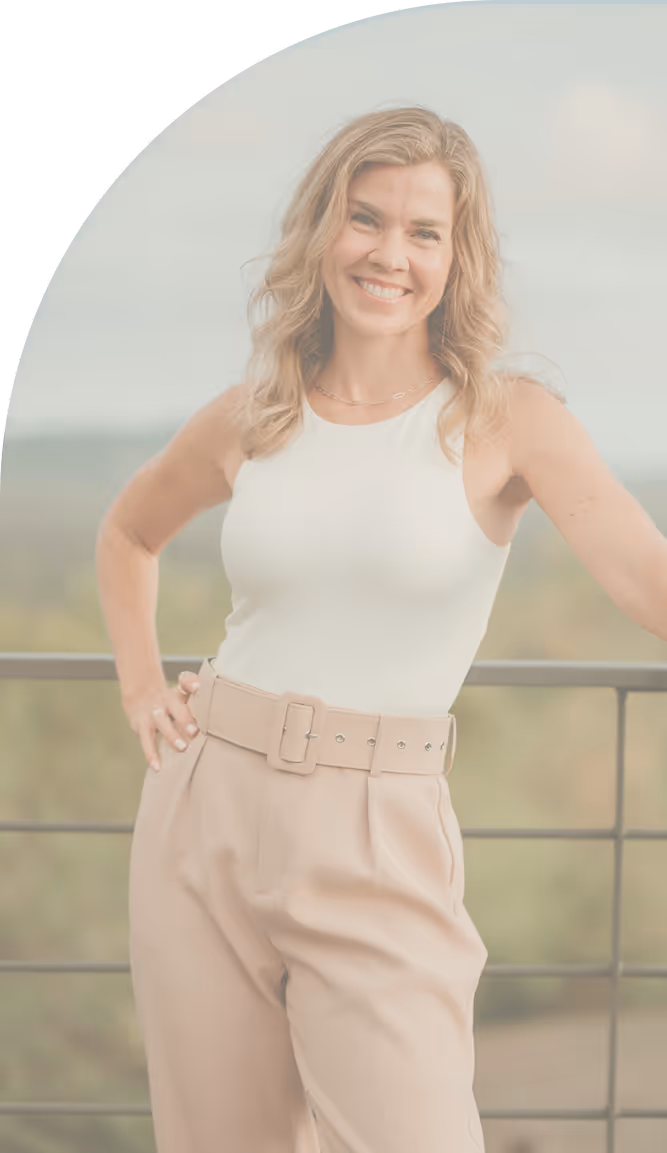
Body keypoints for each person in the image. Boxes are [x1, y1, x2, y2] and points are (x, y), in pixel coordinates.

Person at [96, 106, 667, 1153]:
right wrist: (141, 685)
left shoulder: (505, 417)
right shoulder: (251, 414)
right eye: (365, 219)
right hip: (201, 810)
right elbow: (128, 532)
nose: (388, 254)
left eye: (423, 232)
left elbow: (649, 581)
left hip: (378, 829)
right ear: (323, 229)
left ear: (459, 257)